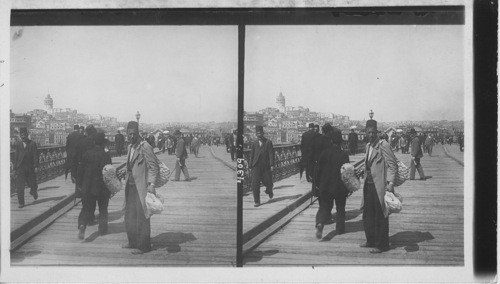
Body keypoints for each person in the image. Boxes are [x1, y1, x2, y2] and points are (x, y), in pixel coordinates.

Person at [360, 119, 398, 253]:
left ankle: (382, 245)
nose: (371, 135)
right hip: (368, 185)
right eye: (368, 132)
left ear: (377, 132)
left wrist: (391, 183)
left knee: (380, 215)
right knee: (367, 214)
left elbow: (393, 166)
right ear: (365, 132)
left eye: (373, 132)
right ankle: (370, 240)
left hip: (380, 186)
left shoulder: (383, 145)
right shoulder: (368, 146)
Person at [122, 121, 159, 254]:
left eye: (134, 134)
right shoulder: (130, 147)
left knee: (142, 216)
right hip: (130, 186)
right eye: (129, 134)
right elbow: (131, 166)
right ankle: (132, 242)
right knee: (129, 215)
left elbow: (154, 167)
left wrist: (151, 185)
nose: (132, 136)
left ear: (138, 133)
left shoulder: (145, 146)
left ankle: (144, 246)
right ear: (126, 134)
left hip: (141, 187)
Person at [315, 125, 349, 239]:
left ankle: (320, 223)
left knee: (324, 207)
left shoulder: (324, 153)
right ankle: (339, 229)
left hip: (325, 186)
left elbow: (318, 171)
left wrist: (317, 185)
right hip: (339, 187)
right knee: (340, 208)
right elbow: (347, 173)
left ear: (331, 141)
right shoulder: (344, 155)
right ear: (340, 142)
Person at [77, 132, 112, 239]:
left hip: (88, 187)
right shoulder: (105, 155)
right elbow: (109, 172)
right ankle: (102, 229)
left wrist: (80, 185)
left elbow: (80, 171)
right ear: (102, 143)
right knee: (103, 208)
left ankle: (82, 224)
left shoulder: (86, 154)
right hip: (102, 187)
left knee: (86, 208)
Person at [249, 125, 275, 207]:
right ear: (256, 134)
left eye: (260, 133)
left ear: (263, 133)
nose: (259, 134)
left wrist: (272, 165)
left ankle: (269, 190)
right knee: (255, 184)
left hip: (265, 166)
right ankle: (257, 201)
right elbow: (252, 155)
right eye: (257, 133)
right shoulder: (254, 143)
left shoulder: (268, 142)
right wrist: (250, 166)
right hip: (256, 166)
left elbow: (271, 154)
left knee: (268, 182)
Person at [13, 127, 39, 208]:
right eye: (21, 135)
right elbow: (16, 157)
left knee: (32, 183)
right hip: (20, 168)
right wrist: (14, 168)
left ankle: (34, 191)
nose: (23, 136)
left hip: (30, 167)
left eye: (24, 135)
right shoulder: (18, 144)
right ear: (20, 135)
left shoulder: (32, 144)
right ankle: (21, 202)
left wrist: (36, 166)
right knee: (20, 186)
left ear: (27, 135)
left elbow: (35, 156)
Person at [73, 125, 98, 198]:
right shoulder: (96, 142)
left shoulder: (81, 142)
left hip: (82, 167)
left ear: (86, 132)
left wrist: (74, 172)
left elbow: (75, 156)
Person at [310, 124, 333, 197]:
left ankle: (317, 193)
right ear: (329, 132)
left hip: (317, 164)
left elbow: (311, 153)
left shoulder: (316, 139)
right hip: (327, 166)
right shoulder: (330, 141)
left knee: (317, 182)